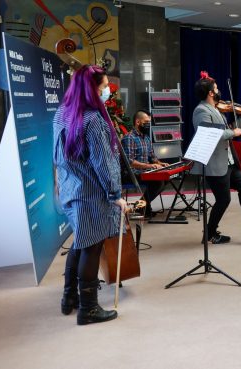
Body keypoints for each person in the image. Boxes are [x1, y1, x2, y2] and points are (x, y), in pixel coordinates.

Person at [54, 64, 123, 325]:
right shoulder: (93, 120)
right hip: (90, 194)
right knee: (91, 247)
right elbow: (103, 163)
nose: (107, 91)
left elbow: (57, 156)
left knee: (79, 243)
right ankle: (89, 308)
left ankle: (69, 298)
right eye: (104, 86)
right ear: (92, 89)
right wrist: (115, 193)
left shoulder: (62, 112)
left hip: (70, 190)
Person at [191, 71, 241, 244]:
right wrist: (233, 132)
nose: (219, 90)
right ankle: (210, 233)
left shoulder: (215, 109)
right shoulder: (201, 111)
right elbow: (208, 133)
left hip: (229, 161)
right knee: (223, 200)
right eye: (216, 88)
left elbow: (227, 128)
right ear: (211, 93)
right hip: (215, 163)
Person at [121, 110, 166, 218]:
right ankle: (142, 207)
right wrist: (151, 166)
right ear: (137, 122)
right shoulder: (129, 138)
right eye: (146, 122)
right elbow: (130, 162)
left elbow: (152, 157)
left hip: (145, 171)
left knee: (166, 178)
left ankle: (142, 206)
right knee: (158, 182)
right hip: (131, 174)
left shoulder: (146, 138)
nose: (148, 125)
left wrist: (161, 164)